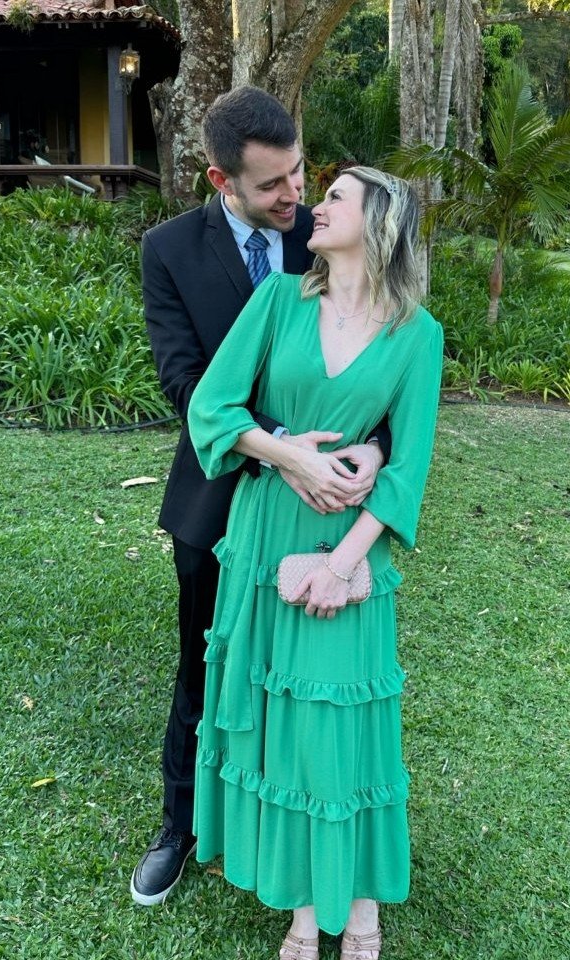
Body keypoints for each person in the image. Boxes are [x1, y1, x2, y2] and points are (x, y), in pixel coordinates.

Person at [133, 86, 391, 907]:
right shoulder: (169, 250)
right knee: (207, 666)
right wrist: (283, 449)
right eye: (272, 183)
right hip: (217, 496)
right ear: (221, 180)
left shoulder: (325, 234)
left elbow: (382, 367)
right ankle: (180, 826)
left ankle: (282, 830)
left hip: (318, 514)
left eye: (300, 173)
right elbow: (186, 383)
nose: (294, 195)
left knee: (301, 677)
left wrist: (373, 452)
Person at [186, 166, 443, 960]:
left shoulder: (418, 335)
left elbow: (407, 470)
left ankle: (360, 905)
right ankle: (303, 909)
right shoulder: (277, 301)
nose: (314, 205)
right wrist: (286, 454)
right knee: (285, 723)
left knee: (340, 718)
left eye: (335, 196)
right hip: (265, 534)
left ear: (380, 223)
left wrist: (342, 565)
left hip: (348, 548)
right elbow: (212, 407)